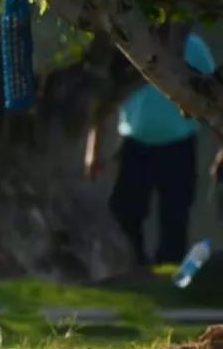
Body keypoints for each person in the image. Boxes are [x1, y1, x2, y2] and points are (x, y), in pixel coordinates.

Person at [85, 28, 217, 267]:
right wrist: (92, 151)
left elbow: (216, 95)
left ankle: (171, 271)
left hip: (178, 144)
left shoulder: (191, 46)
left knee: (175, 215)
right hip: (135, 145)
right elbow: (104, 101)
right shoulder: (129, 42)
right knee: (125, 212)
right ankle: (133, 266)